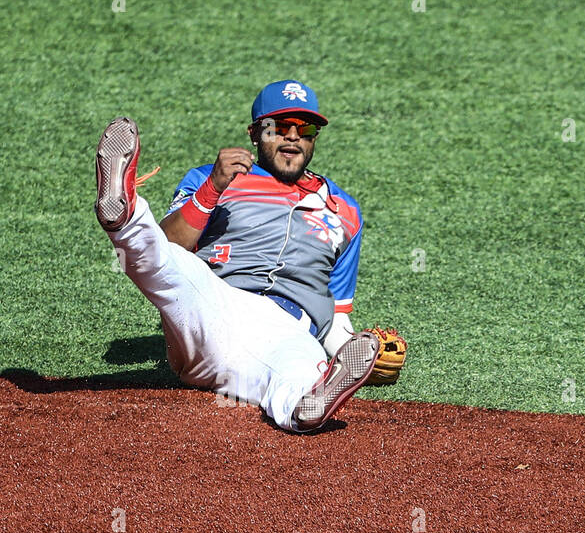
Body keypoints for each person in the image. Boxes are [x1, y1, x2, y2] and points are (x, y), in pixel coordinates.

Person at [93, 79, 405, 432]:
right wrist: (211, 190)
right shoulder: (214, 178)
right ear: (255, 133)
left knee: (301, 369)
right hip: (214, 304)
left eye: (306, 128)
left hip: (288, 332)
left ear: (315, 137)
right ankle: (124, 217)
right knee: (175, 269)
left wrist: (362, 353)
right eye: (279, 126)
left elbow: (336, 319)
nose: (292, 136)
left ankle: (306, 406)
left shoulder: (345, 211)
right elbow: (170, 246)